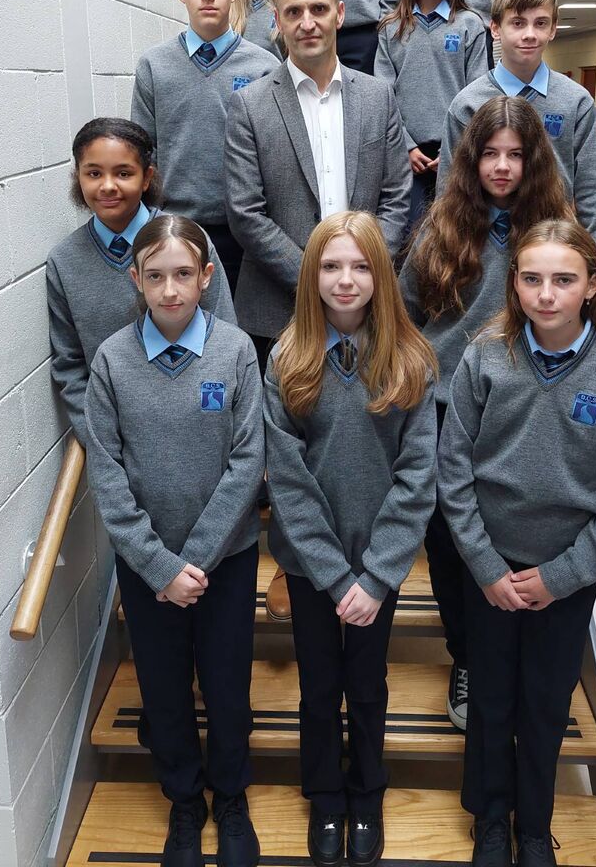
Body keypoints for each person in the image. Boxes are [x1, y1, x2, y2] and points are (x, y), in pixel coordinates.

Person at [438, 219, 596, 867]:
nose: (547, 293)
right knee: (493, 696)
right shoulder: (484, 357)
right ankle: (490, 817)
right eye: (532, 278)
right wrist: (483, 564)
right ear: (514, 284)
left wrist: (563, 575)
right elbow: (454, 472)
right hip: (491, 571)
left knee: (544, 701)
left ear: (593, 286)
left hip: (567, 575)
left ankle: (533, 824)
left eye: (564, 279)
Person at [85, 214, 264, 867]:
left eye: (183, 275)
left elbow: (249, 461)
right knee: (164, 688)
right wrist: (161, 566)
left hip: (228, 560)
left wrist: (198, 558)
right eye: (154, 276)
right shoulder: (112, 361)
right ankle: (185, 805)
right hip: (147, 566)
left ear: (206, 277)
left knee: (225, 685)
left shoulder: (236, 351)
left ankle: (231, 800)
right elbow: (106, 471)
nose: (169, 290)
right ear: (135, 278)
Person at [264, 212, 438, 867]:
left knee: (366, 685)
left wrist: (376, 575)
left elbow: (418, 477)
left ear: (380, 276)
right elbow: (287, 479)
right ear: (312, 277)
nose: (345, 279)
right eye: (331, 266)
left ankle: (367, 793)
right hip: (314, 569)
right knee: (318, 685)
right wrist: (337, 577)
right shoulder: (287, 362)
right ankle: (326, 796)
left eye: (360, 266)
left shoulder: (411, 361)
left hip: (378, 567)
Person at [398, 97, 570, 730]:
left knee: (515, 532)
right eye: (489, 154)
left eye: (515, 155)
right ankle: (467, 657)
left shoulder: (554, 233)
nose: (501, 167)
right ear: (470, 160)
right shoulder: (442, 229)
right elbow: (407, 318)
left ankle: (515, 653)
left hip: (526, 411)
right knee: (450, 540)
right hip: (448, 411)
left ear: (533, 162)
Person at [224, 0, 411, 356]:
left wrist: (361, 272)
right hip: (278, 315)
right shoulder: (248, 106)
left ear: (340, 14)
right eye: (293, 11)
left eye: (319, 9)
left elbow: (397, 197)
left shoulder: (379, 98)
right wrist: (315, 278)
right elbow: (245, 212)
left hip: (367, 309)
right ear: (277, 20)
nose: (307, 23)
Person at [46, 118, 234, 446]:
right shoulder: (65, 262)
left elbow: (225, 336)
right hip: (118, 432)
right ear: (78, 177)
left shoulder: (190, 241)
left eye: (123, 173)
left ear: (147, 177)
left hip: (200, 424)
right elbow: (69, 365)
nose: (107, 186)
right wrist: (98, 436)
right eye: (93, 173)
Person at [439, 0, 596, 277]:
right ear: (495, 28)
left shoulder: (576, 102)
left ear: (553, 29)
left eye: (540, 23)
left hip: (553, 246)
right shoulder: (467, 104)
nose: (530, 34)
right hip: (482, 249)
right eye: (518, 23)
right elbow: (448, 188)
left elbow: (594, 191)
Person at [131, 0, 276, 293]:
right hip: (176, 230)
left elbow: (275, 159)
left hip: (247, 234)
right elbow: (142, 155)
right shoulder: (154, 66)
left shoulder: (265, 66)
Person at [375, 0, 490, 226]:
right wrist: (407, 146)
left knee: (453, 241)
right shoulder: (391, 28)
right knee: (406, 244)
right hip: (405, 157)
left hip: (455, 153)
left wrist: (453, 148)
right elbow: (383, 99)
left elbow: (479, 96)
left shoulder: (470, 25)